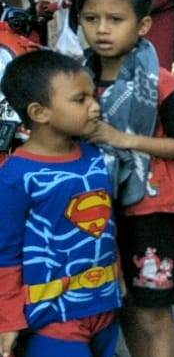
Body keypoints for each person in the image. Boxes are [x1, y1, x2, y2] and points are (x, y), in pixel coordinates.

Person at [76, 0, 174, 357]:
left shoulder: (160, 82)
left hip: (151, 212)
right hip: (96, 211)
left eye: (115, 19)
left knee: (153, 314)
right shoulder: (77, 83)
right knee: (124, 306)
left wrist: (124, 139)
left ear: (143, 25)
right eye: (91, 18)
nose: (102, 29)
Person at [0, 50, 121, 357]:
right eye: (80, 100)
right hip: (52, 319)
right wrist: (8, 320)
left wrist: (118, 278)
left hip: (105, 305)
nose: (95, 107)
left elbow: (107, 227)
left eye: (93, 96)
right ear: (39, 112)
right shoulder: (15, 176)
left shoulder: (96, 157)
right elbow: (6, 254)